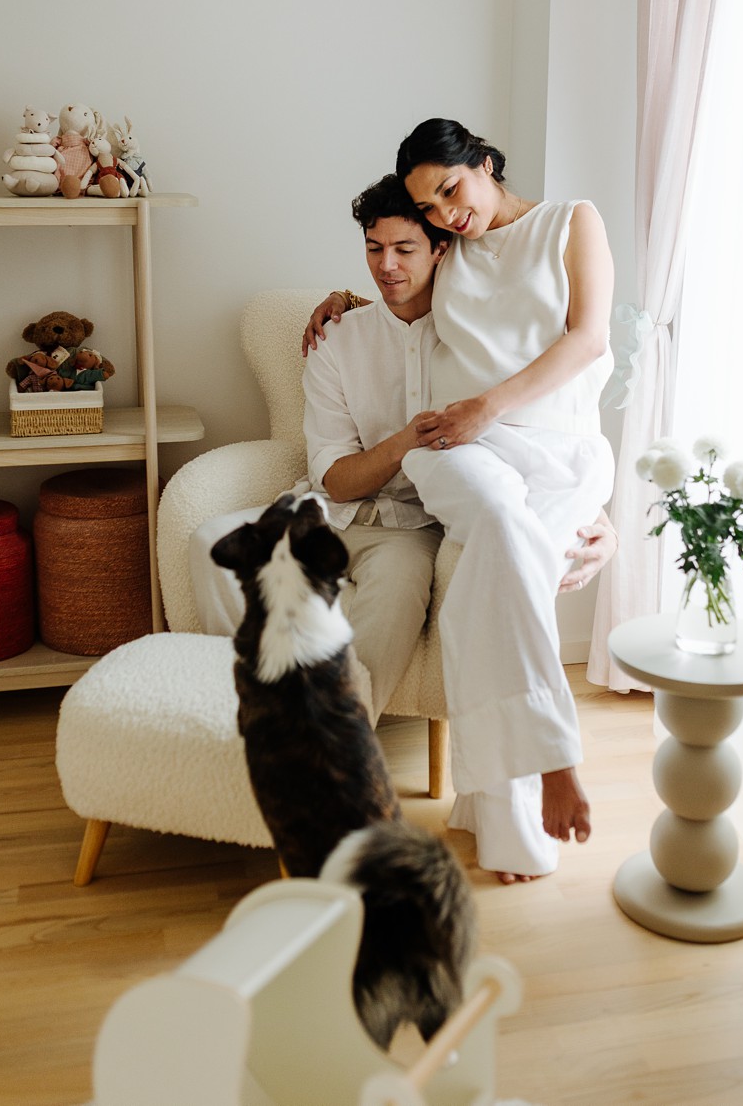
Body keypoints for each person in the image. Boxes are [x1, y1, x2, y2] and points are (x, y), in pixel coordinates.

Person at [190, 174, 616, 747]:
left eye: (404, 249)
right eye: (373, 248)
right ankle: (261, 699)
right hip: (325, 514)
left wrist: (601, 519)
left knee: (387, 618)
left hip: (411, 532)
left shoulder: (479, 336)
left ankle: (330, 754)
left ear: (441, 250)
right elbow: (336, 480)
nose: (386, 266)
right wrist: (407, 440)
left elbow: (545, 431)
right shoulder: (337, 339)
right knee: (210, 547)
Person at [305, 118, 615, 883]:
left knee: (491, 571)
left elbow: (588, 339)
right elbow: (393, 280)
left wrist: (495, 408)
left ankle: (495, 813)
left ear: (483, 162)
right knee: (504, 527)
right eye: (431, 207)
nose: (447, 212)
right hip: (454, 449)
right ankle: (554, 755)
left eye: (451, 189)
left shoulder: (572, 222)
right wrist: (342, 296)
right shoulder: (451, 247)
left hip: (556, 452)